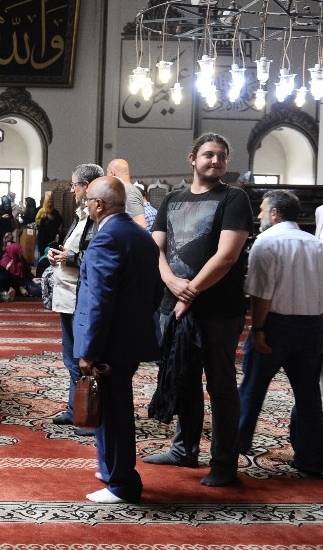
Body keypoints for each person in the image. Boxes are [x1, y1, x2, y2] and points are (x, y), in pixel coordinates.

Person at [146, 133, 253, 487]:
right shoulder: (172, 199)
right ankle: (184, 449)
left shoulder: (234, 198)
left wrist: (187, 292)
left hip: (218, 311)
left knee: (220, 384)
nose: (216, 161)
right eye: (208, 155)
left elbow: (227, 256)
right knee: (183, 378)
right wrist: (171, 283)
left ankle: (224, 463)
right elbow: (156, 248)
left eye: (221, 156)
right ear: (193, 158)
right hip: (173, 306)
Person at [73, 176, 160, 503]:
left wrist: (89, 350)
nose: (84, 205)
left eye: (87, 201)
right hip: (130, 338)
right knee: (114, 408)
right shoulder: (141, 236)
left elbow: (100, 300)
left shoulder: (106, 238)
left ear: (98, 204)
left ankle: (122, 482)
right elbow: (153, 292)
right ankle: (112, 469)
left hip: (109, 341)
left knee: (114, 412)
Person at [237, 189, 323, 476]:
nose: (260, 215)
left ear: (274, 213)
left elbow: (262, 295)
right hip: (312, 327)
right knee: (309, 396)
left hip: (275, 326)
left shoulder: (267, 241)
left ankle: (234, 448)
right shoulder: (316, 244)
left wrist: (258, 329)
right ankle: (310, 459)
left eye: (262, 210)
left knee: (251, 389)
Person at [47, 163, 104, 430]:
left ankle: (88, 412)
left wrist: (70, 257)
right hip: (68, 294)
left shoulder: (97, 219)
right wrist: (57, 255)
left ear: (87, 186)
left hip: (80, 296)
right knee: (71, 357)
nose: (71, 190)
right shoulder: (81, 215)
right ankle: (75, 408)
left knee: (84, 359)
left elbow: (96, 260)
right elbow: (74, 248)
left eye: (74, 185)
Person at [106, 158, 148, 228]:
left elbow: (141, 224)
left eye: (107, 173)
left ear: (112, 173)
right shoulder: (125, 191)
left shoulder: (129, 192)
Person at [34, 190, 62, 256]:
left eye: (51, 202)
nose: (50, 204)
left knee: (51, 252)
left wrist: (53, 219)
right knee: (42, 251)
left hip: (52, 235)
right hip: (43, 235)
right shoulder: (41, 211)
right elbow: (37, 221)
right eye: (48, 202)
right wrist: (45, 217)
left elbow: (60, 221)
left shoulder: (55, 212)